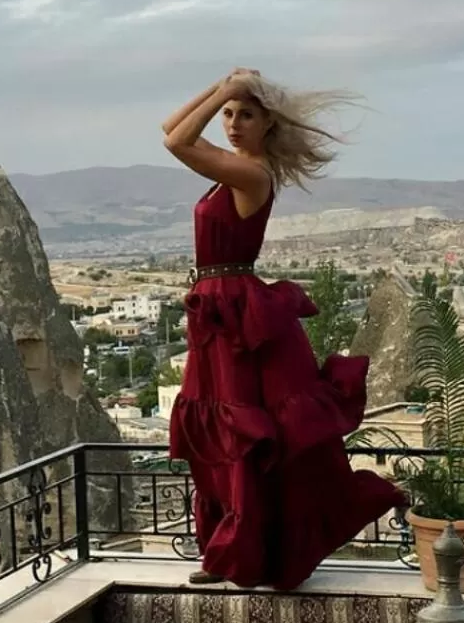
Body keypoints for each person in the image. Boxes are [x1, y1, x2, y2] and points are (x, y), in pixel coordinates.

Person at [163, 69, 404, 589]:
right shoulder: (232, 169)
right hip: (217, 312)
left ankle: (246, 556)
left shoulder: (252, 176)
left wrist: (226, 90)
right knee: (221, 431)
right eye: (228, 115)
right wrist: (219, 87)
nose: (232, 123)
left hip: (235, 313)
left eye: (245, 114)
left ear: (268, 123)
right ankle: (226, 553)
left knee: (243, 431)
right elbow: (171, 127)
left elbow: (175, 140)